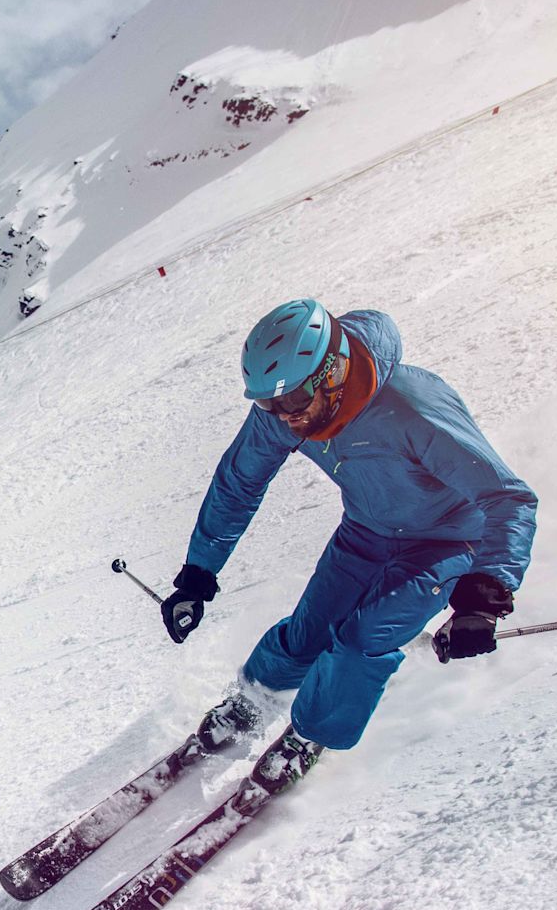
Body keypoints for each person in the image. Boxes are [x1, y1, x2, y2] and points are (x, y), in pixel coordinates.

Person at [161, 298, 537, 790]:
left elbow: (508, 499)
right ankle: (250, 703)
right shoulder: (286, 410)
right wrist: (198, 575)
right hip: (365, 532)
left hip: (446, 542)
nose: (283, 418)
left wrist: (482, 598)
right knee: (306, 635)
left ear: (332, 372)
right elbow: (239, 481)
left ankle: (309, 736)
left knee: (360, 642)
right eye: (267, 404)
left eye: (292, 402)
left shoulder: (412, 408)